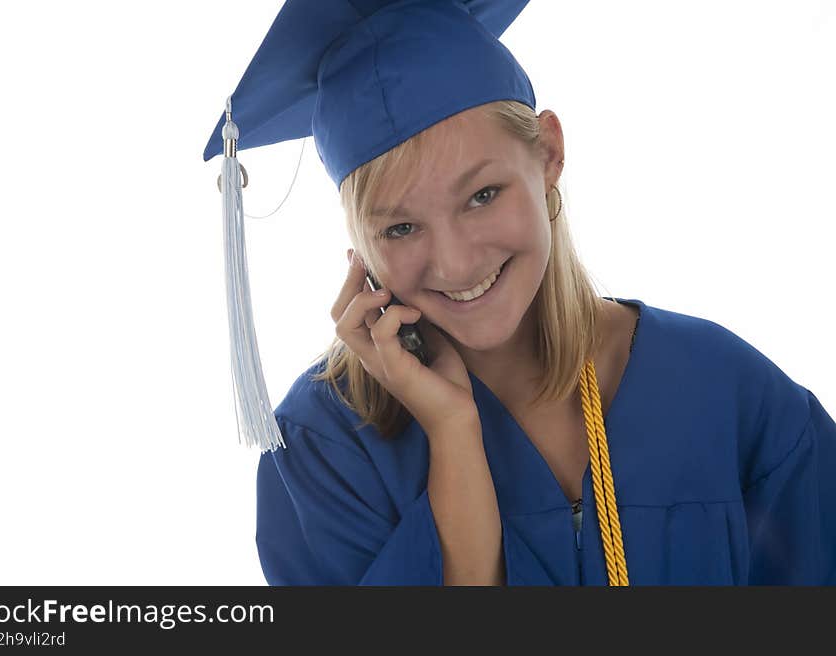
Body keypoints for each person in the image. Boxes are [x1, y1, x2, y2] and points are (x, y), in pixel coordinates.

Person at [204, 0, 836, 585]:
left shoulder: (726, 393)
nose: (453, 263)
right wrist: (452, 434)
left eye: (482, 195)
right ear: (357, 244)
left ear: (550, 155)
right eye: (400, 227)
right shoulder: (326, 453)